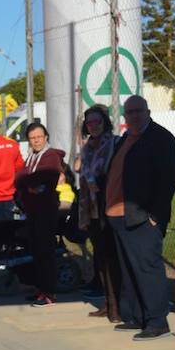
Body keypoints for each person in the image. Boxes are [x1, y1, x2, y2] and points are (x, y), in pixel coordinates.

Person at [105, 95, 175, 340]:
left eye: (138, 111)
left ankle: (157, 321)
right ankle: (138, 317)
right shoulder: (126, 138)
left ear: (147, 111)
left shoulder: (161, 138)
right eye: (130, 112)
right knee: (129, 270)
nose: (134, 115)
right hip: (118, 216)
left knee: (147, 269)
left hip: (143, 218)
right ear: (125, 117)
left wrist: (155, 217)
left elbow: (168, 180)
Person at [77, 105, 121, 323]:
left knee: (112, 259)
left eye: (97, 122)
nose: (93, 126)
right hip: (91, 210)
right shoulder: (86, 149)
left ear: (105, 123)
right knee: (100, 259)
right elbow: (84, 181)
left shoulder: (113, 144)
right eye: (89, 123)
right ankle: (107, 302)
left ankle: (118, 306)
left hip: (109, 207)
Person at [15, 122, 65, 307]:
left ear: (46, 137)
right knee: (36, 250)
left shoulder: (50, 156)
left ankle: (49, 292)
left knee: (45, 252)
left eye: (39, 137)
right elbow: (20, 177)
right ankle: (40, 289)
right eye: (32, 138)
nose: (36, 141)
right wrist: (26, 183)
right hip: (33, 210)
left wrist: (26, 182)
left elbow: (43, 180)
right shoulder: (31, 157)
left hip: (45, 211)